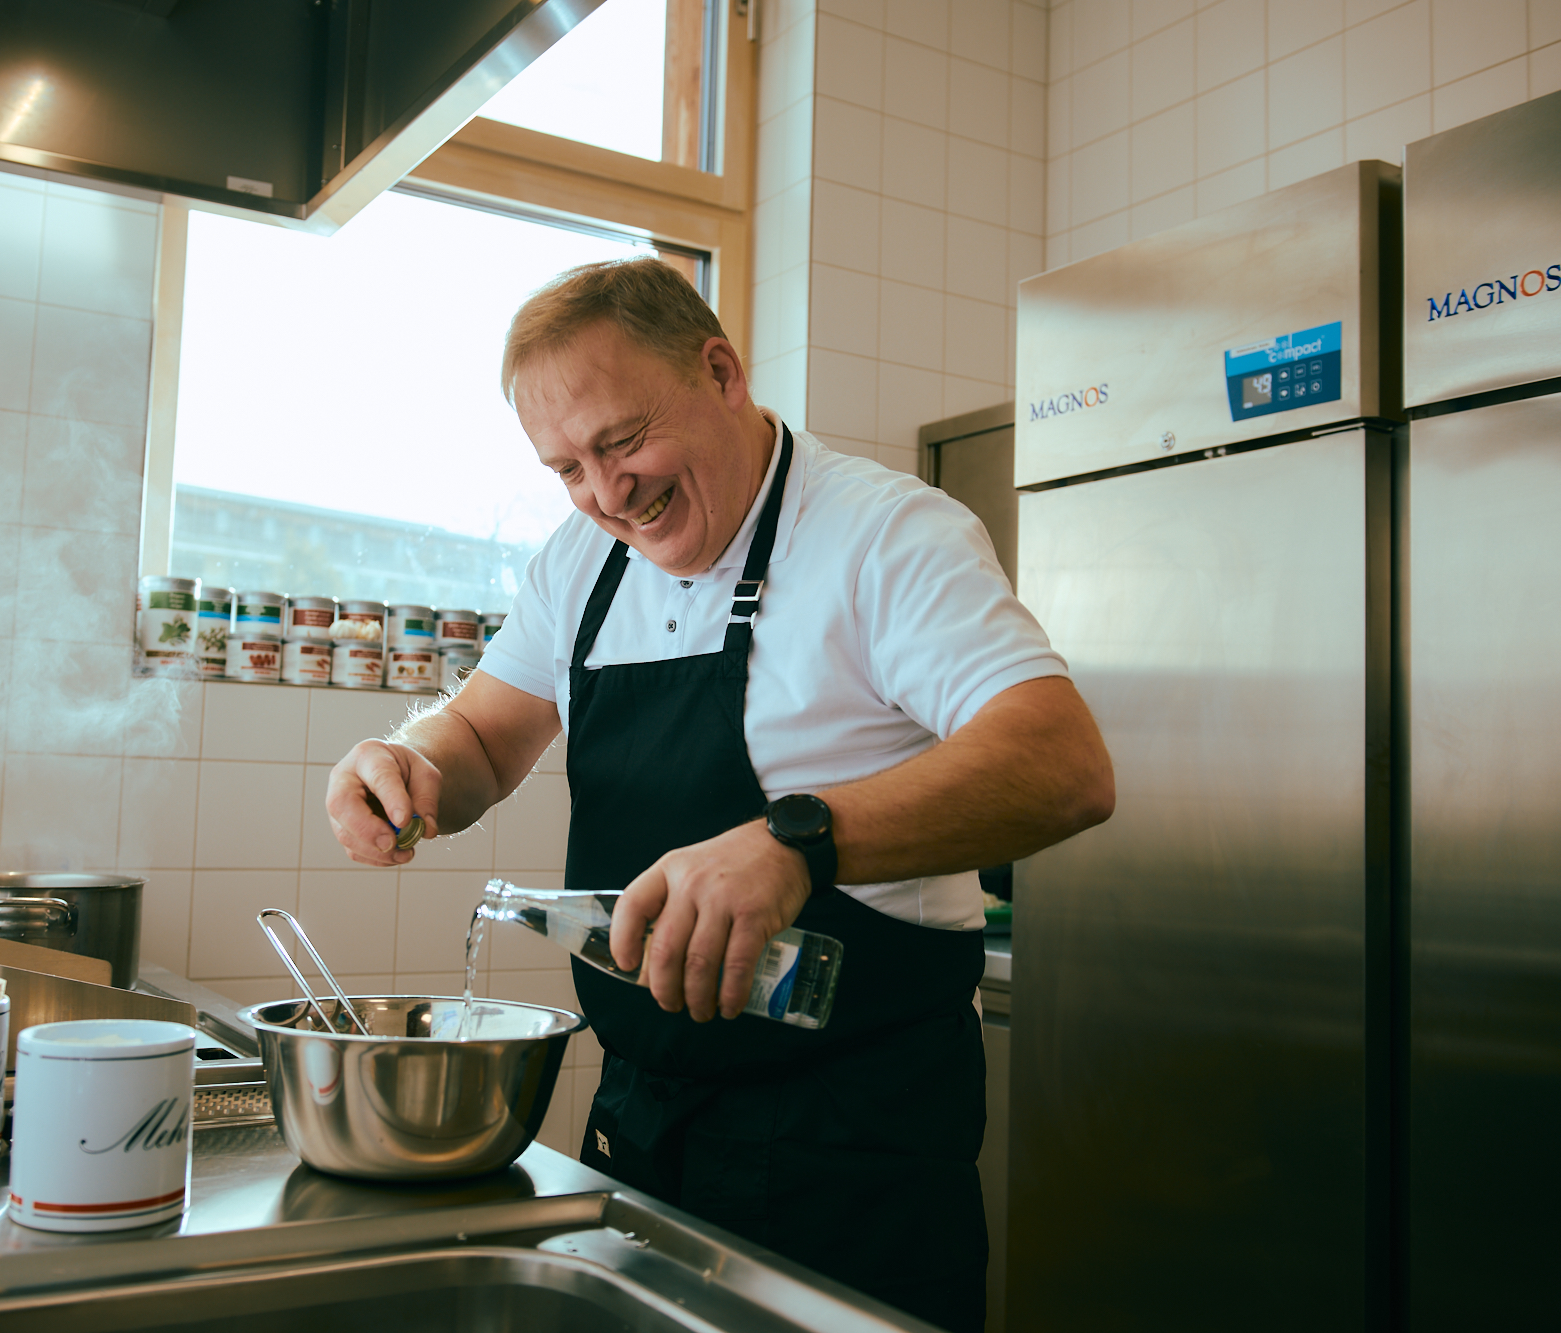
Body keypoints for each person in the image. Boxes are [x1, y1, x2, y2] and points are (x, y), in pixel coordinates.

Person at [328, 257, 1113, 1332]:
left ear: (719, 370)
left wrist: (798, 842)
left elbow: (1061, 763)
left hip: (850, 1141)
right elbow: (478, 734)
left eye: (619, 442)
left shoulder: (882, 534)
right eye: (564, 468)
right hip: (644, 1114)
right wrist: (403, 757)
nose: (606, 495)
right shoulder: (580, 564)